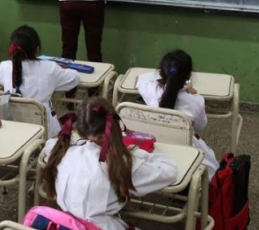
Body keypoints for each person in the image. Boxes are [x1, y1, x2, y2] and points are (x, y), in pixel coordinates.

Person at [43, 97, 177, 230]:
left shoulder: (61, 151)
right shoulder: (120, 163)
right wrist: (136, 152)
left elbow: (50, 144)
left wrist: (77, 141)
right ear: (114, 126)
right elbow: (170, 171)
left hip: (64, 225)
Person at [137, 50, 218, 179]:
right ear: (189, 75)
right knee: (211, 160)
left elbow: (140, 79)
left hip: (153, 146)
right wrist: (191, 91)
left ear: (161, 72)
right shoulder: (196, 100)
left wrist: (163, 77)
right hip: (184, 148)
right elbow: (200, 126)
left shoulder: (150, 90)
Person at [0, 25, 79, 138]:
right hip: (44, 132)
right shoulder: (50, 68)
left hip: (13, 129)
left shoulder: (5, 67)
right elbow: (74, 79)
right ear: (37, 49)